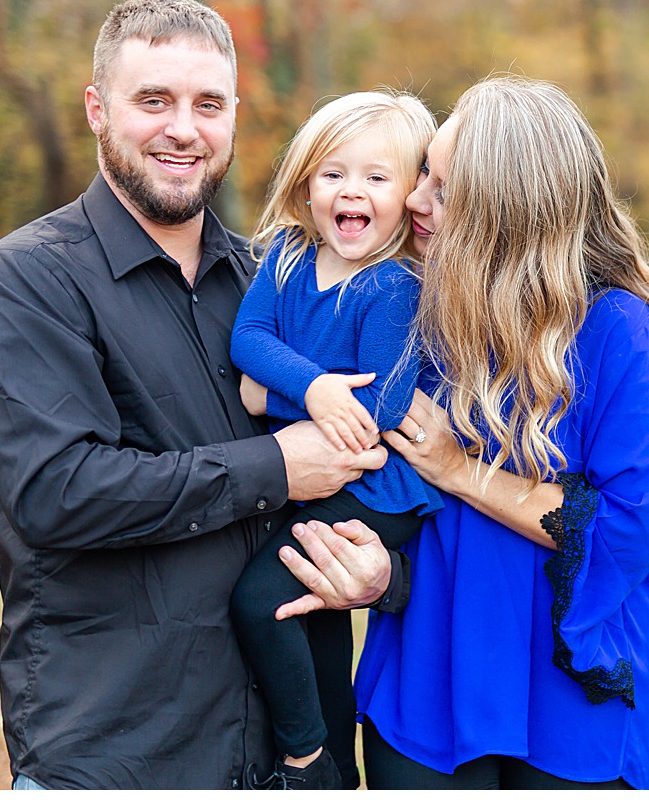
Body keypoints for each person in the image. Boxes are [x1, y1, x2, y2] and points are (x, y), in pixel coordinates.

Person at [0, 0, 401, 790]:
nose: (183, 128)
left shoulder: (275, 280)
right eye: (153, 99)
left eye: (208, 104)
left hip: (289, 759)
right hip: (119, 752)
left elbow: (380, 468)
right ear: (97, 109)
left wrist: (382, 579)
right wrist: (274, 466)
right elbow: (57, 491)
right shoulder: (27, 282)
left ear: (233, 116)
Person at [285, 75, 649, 789]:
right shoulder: (414, 309)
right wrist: (383, 575)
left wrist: (457, 466)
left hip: (567, 693)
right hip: (428, 678)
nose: (412, 199)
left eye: (440, 189)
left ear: (503, 215)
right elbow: (366, 457)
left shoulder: (612, 327)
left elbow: (623, 530)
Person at [229, 91, 442, 789]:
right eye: (333, 174)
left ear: (409, 192)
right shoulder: (289, 256)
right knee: (313, 614)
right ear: (306, 184)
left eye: (377, 177)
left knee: (261, 599)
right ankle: (335, 769)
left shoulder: (395, 287)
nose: (352, 190)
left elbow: (376, 408)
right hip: (322, 471)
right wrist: (320, 388)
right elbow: (248, 336)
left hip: (375, 488)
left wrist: (273, 393)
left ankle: (304, 757)